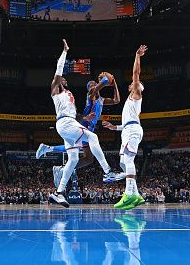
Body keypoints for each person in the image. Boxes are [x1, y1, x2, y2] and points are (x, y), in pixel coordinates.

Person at [48, 39, 123, 208]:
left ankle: (58, 193)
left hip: (68, 125)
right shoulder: (56, 89)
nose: (65, 80)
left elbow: (80, 113)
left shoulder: (68, 94)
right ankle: (108, 172)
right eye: (62, 80)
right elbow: (59, 70)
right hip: (66, 123)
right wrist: (65, 52)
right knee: (93, 137)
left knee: (74, 159)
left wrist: (83, 118)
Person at [36, 71, 120, 188]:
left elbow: (117, 100)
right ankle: (107, 171)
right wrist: (106, 80)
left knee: (88, 158)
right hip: (84, 125)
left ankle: (57, 161)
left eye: (93, 84)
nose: (92, 85)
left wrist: (114, 83)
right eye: (90, 85)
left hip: (89, 126)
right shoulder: (91, 94)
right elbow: (96, 88)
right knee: (81, 146)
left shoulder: (101, 100)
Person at [102, 45, 148, 210]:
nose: (132, 83)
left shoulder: (136, 93)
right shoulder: (131, 101)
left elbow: (136, 73)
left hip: (133, 131)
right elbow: (128, 122)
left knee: (127, 160)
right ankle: (136, 195)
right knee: (124, 161)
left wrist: (137, 55)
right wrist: (114, 127)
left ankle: (128, 194)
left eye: (135, 83)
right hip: (129, 129)